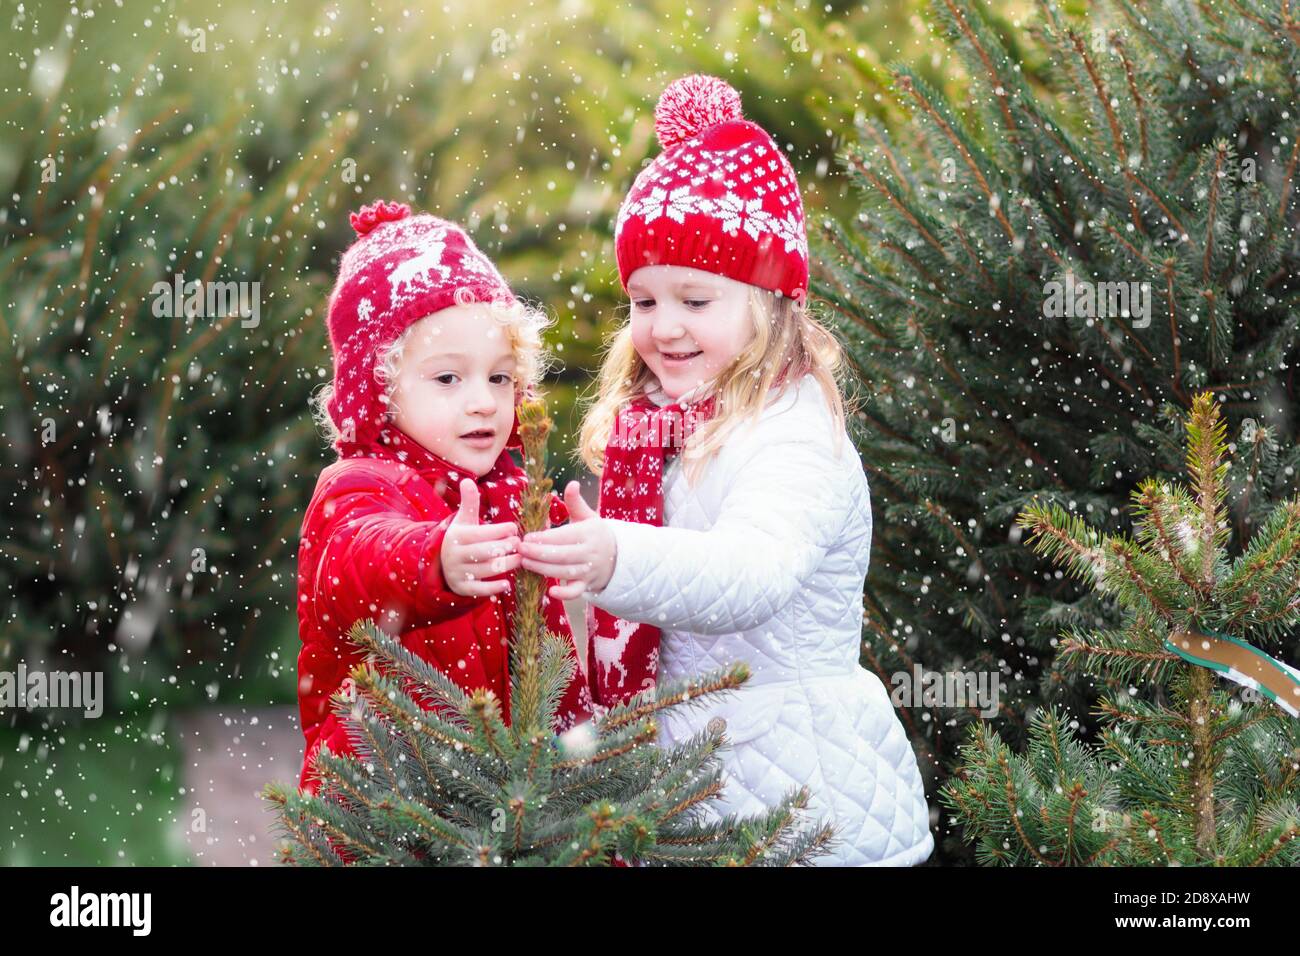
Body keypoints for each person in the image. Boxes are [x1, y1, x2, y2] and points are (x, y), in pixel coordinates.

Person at [518, 76, 934, 866]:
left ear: (768, 301)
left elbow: (753, 572)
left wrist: (615, 558)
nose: (662, 326)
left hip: (797, 803)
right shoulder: (663, 431)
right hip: (696, 782)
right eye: (643, 301)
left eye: (694, 300)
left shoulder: (792, 432)